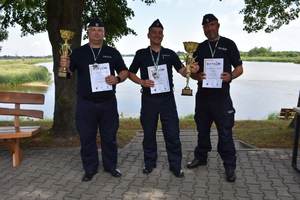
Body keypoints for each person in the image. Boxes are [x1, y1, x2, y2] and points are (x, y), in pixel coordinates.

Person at [60, 18, 128, 182]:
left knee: (109, 137)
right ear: (88, 32)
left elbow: (124, 71)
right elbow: (66, 75)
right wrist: (64, 66)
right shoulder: (77, 52)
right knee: (87, 137)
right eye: (93, 30)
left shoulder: (112, 52)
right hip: (85, 104)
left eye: (100, 30)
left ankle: (111, 166)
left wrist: (117, 79)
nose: (97, 32)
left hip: (108, 103)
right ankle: (90, 169)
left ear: (104, 33)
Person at [129, 19, 198, 178]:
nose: (157, 35)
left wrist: (190, 69)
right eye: (154, 32)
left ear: (163, 35)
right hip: (148, 99)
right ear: (148, 35)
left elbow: (181, 71)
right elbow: (131, 73)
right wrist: (141, 82)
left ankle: (175, 166)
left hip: (167, 99)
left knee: (172, 133)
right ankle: (149, 163)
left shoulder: (170, 53)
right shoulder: (141, 54)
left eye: (160, 33)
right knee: (148, 133)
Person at [187, 14, 243, 182]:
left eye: (212, 25)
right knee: (202, 130)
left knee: (225, 132)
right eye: (206, 26)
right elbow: (193, 72)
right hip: (203, 98)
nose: (209, 28)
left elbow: (240, 68)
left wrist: (230, 76)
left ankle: (229, 166)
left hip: (222, 98)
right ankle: (201, 157)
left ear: (217, 25)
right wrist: (197, 74)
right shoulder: (199, 47)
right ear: (203, 28)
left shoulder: (228, 44)